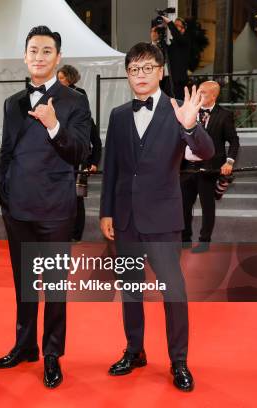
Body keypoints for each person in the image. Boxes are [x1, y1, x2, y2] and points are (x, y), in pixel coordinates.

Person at [99, 42, 214, 392]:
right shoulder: (118, 115)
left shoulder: (178, 110)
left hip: (163, 218)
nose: (140, 75)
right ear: (128, 75)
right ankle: (134, 350)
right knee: (131, 290)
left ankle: (179, 360)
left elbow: (206, 153)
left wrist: (192, 127)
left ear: (161, 71)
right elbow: (112, 169)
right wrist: (106, 211)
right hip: (125, 218)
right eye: (134, 69)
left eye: (147, 68)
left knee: (173, 291)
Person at [0, 26, 91, 389]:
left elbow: (81, 151)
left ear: (58, 57)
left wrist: (54, 127)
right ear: (25, 56)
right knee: (23, 285)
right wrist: (3, 194)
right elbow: (8, 154)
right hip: (16, 208)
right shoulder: (13, 102)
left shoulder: (75, 101)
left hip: (55, 209)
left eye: (46, 51)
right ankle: (24, 344)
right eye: (33, 50)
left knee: (54, 287)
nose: (38, 56)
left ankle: (51, 353)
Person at [181, 80, 239, 253]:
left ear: (214, 95)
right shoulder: (190, 111)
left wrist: (229, 162)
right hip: (187, 167)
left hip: (209, 167)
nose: (199, 95)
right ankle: (184, 240)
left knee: (207, 206)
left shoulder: (224, 115)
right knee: (184, 205)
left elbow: (233, 141)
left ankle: (204, 242)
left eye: (203, 92)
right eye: (198, 92)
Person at [57, 65, 102, 241]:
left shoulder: (82, 106)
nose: (59, 81)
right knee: (61, 197)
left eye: (61, 78)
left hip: (80, 160)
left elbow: (95, 141)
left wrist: (94, 162)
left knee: (77, 198)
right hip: (61, 159)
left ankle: (76, 234)